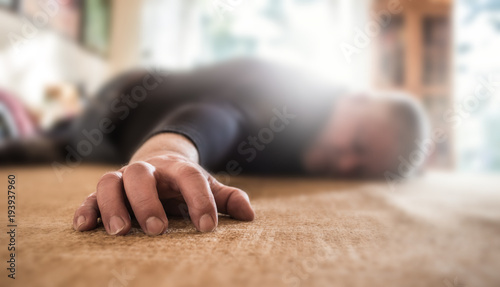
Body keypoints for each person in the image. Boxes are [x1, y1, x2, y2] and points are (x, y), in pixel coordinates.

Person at [0, 58, 429, 236]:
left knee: (68, 147)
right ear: (352, 99)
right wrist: (169, 153)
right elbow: (224, 114)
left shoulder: (316, 151)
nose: (347, 163)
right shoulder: (292, 92)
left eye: (363, 168)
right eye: (357, 142)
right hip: (121, 109)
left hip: (126, 139)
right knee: (69, 146)